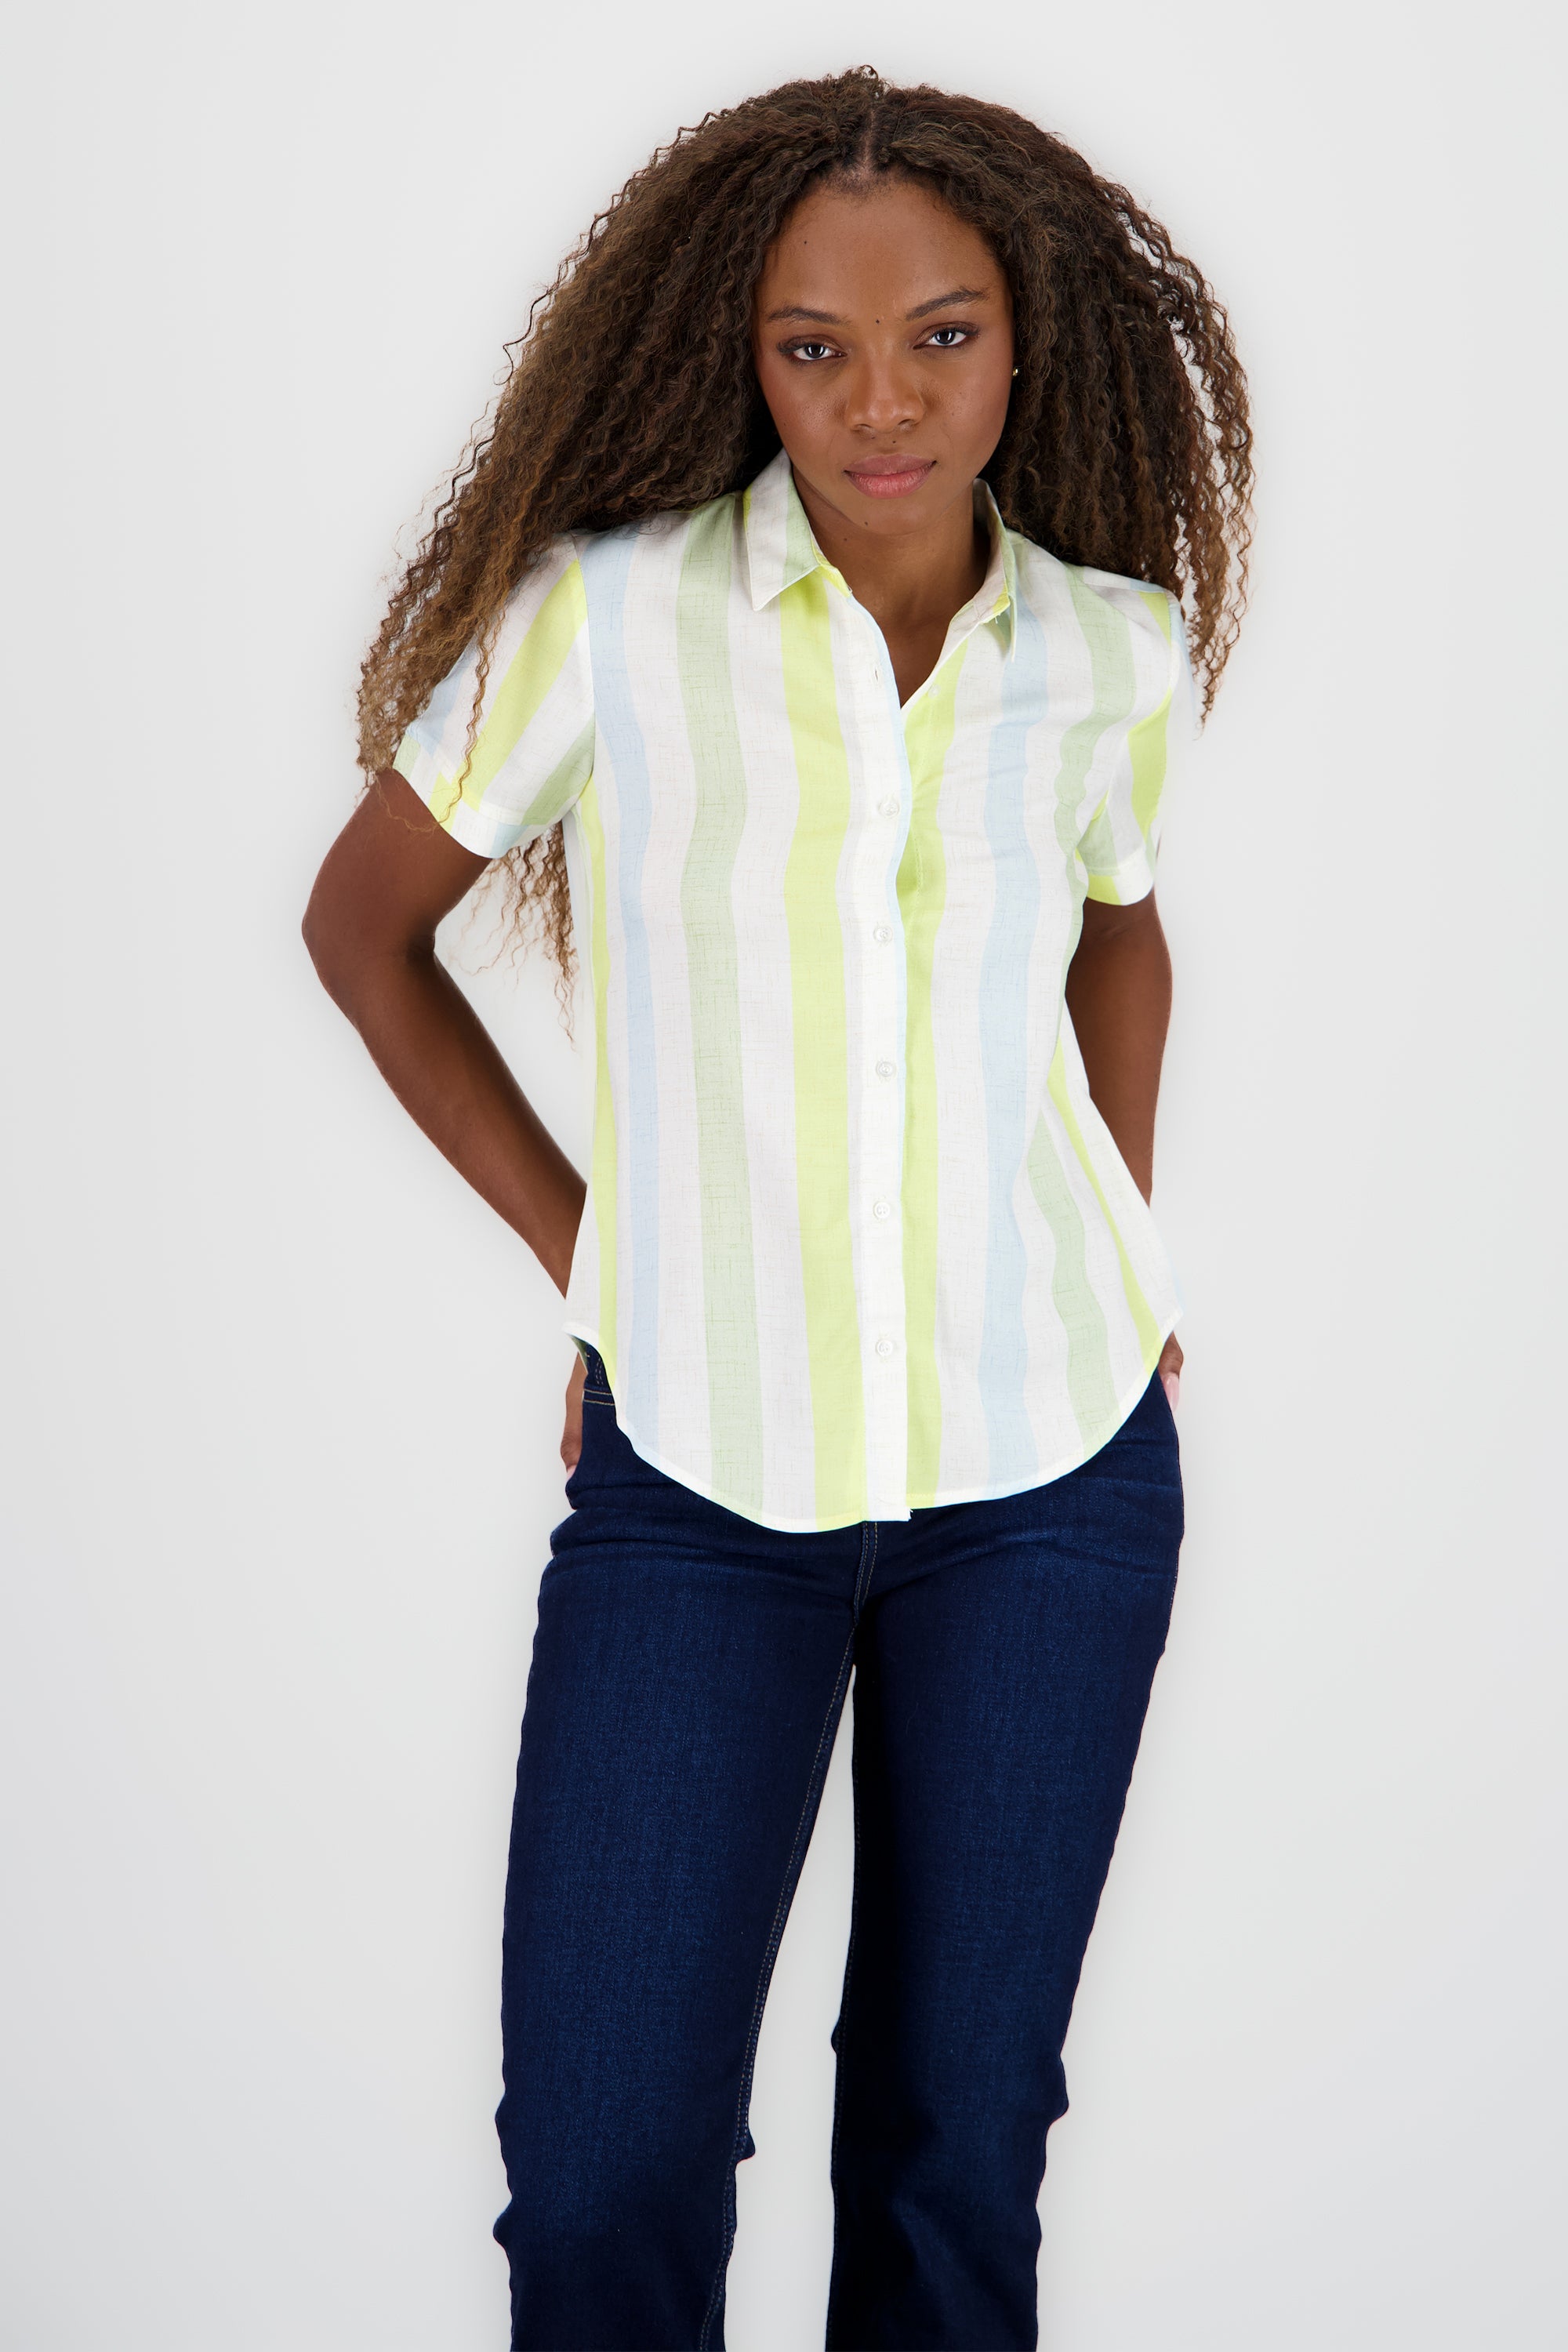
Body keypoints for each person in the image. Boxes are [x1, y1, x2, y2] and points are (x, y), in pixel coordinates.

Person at [303, 65, 1250, 2352]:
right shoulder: (610, 621)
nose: (879, 400)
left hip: (1053, 1486)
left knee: (953, 2157)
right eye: (813, 347)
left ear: (1023, 343)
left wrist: (1119, 1237)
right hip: (697, 1491)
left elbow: (1123, 932)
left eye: (940, 336)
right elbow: (362, 929)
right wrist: (595, 1255)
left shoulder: (1107, 652)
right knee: (603, 2167)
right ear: (738, 357)